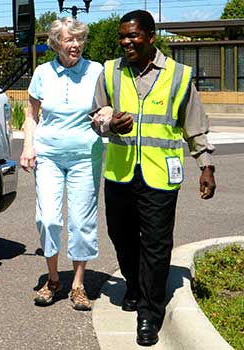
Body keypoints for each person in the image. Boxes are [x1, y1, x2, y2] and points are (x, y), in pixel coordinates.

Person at [91, 10, 216, 347]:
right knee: (121, 235)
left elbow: (195, 123)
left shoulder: (177, 75)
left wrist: (206, 165)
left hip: (161, 175)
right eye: (121, 36)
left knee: (157, 245)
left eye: (132, 36)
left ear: (150, 36)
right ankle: (133, 283)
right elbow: (95, 117)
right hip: (120, 171)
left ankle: (149, 311)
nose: (125, 42)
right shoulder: (110, 72)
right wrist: (108, 125)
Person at [20, 17, 103, 311]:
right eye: (69, 40)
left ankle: (78, 283)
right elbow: (30, 115)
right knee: (48, 218)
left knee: (82, 221)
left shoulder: (96, 71)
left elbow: (106, 107)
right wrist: (28, 146)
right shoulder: (42, 73)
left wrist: (106, 116)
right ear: (56, 43)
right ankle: (54, 279)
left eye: (80, 39)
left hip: (85, 154)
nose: (76, 45)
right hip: (49, 154)